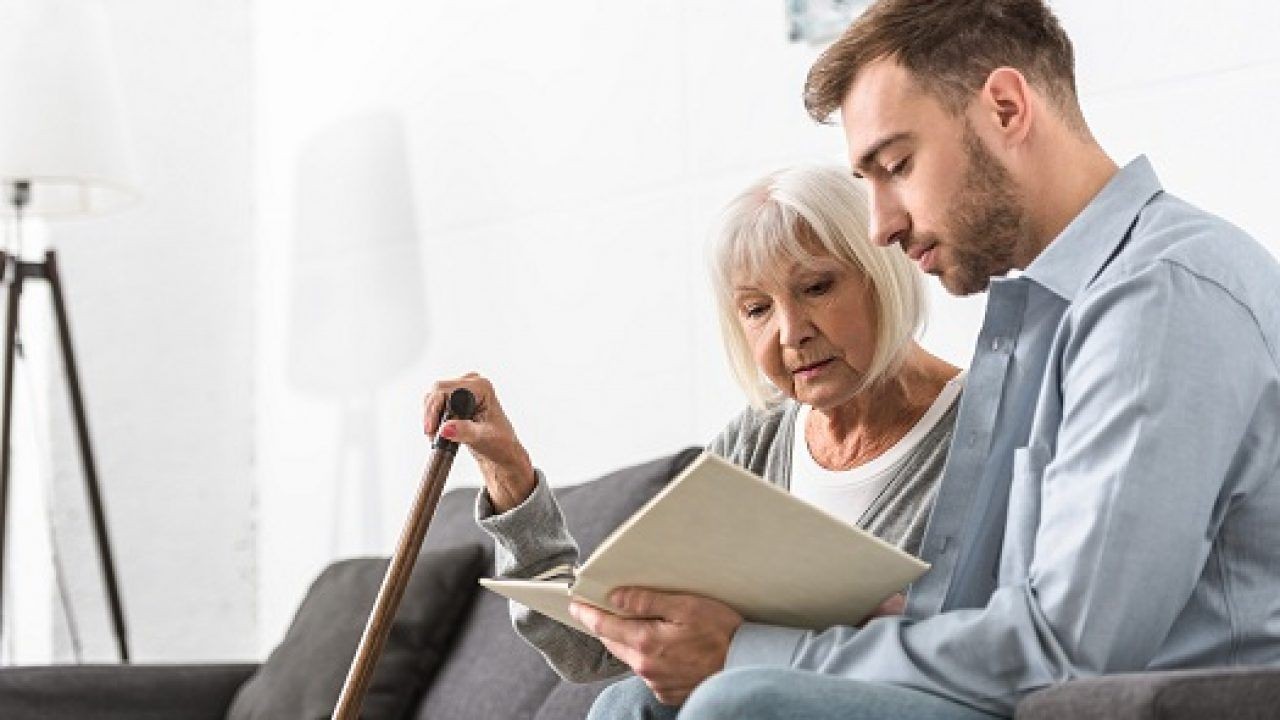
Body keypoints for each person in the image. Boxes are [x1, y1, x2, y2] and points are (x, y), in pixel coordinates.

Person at [573, 1, 1280, 719]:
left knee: (742, 701)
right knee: (631, 704)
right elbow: (1003, 611)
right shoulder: (1044, 314)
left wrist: (751, 650)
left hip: (1134, 704)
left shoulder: (1159, 300)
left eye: (897, 166)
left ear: (1005, 109)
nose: (881, 225)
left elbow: (1067, 650)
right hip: (1032, 688)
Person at [422, 165, 963, 701]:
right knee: (624, 699)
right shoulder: (759, 440)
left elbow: (978, 654)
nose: (792, 332)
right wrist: (508, 474)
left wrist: (743, 650)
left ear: (883, 271)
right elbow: (592, 650)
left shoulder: (981, 428)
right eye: (757, 309)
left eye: (817, 287)